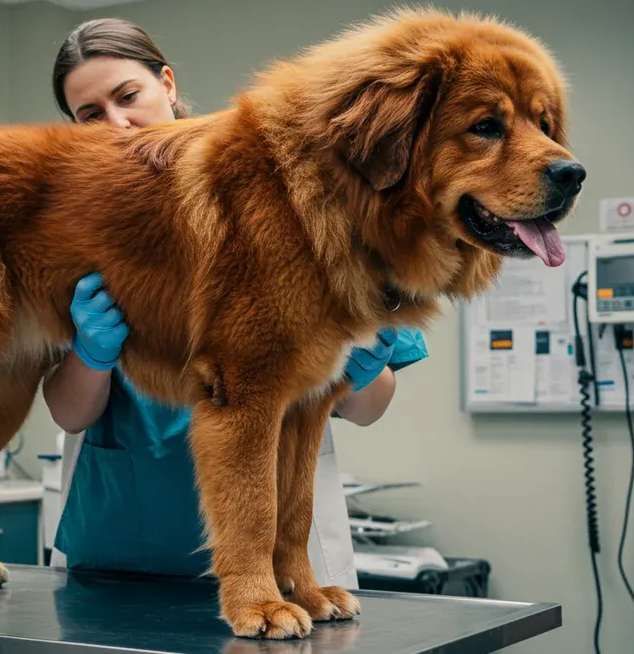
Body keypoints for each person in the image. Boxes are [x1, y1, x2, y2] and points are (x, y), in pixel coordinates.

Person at [43, 18, 428, 588]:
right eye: (90, 114)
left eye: (128, 96)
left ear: (166, 85)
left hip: (281, 552)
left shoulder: (272, 185)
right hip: (125, 543)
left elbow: (368, 407)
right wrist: (91, 354)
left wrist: (359, 362)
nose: (117, 123)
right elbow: (68, 411)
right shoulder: (70, 224)